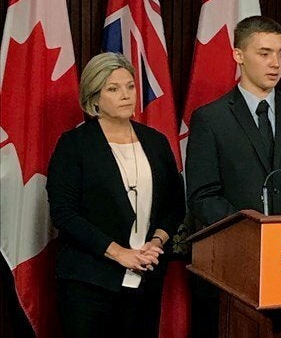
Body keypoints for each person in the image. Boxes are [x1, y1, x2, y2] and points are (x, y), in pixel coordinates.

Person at [185, 16, 281, 338]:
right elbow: (202, 195)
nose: (275, 63)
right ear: (239, 55)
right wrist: (252, 236)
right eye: (264, 53)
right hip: (231, 265)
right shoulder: (211, 118)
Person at [46, 52, 185, 338]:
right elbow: (64, 213)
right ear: (94, 98)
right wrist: (119, 253)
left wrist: (156, 242)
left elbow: (174, 203)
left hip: (146, 278)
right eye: (113, 88)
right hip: (89, 281)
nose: (126, 95)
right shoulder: (74, 145)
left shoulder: (155, 142)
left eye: (130, 86)